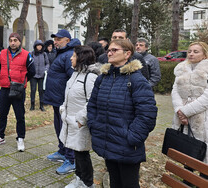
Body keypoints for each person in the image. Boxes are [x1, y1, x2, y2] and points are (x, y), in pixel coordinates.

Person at [87, 39, 157, 187]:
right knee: (114, 182)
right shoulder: (103, 78)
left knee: (129, 184)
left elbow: (147, 114)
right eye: (109, 50)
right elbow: (92, 105)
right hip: (107, 140)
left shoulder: (137, 80)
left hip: (127, 145)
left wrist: (131, 137)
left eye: (114, 50)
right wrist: (94, 126)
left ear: (127, 54)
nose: (109, 53)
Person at [60, 46, 100, 188]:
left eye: (74, 56)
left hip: (80, 124)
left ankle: (88, 183)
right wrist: (63, 109)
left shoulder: (90, 77)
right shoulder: (75, 74)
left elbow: (92, 101)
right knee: (76, 152)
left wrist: (80, 120)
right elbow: (68, 93)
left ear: (81, 58)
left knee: (82, 154)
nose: (71, 58)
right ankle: (79, 178)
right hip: (70, 121)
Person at [0, 32, 35, 152]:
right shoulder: (3, 53)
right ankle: (0, 136)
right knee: (2, 114)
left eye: (15, 40)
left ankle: (20, 138)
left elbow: (32, 72)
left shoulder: (26, 55)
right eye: (11, 40)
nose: (13, 43)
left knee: (20, 115)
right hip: (5, 88)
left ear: (20, 42)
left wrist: (21, 80)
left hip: (18, 89)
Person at [43, 29, 81, 175]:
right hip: (56, 99)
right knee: (59, 127)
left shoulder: (69, 55)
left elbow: (72, 79)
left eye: (58, 39)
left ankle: (71, 159)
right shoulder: (61, 53)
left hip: (64, 101)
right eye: (55, 39)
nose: (55, 42)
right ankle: (62, 151)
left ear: (67, 40)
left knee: (67, 129)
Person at [171, 41, 208, 164]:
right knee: (187, 150)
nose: (191, 54)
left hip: (203, 116)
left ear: (205, 55)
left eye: (196, 52)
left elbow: (206, 97)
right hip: (182, 116)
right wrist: (179, 110)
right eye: (189, 51)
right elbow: (175, 90)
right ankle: (187, 179)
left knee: (204, 153)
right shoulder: (181, 69)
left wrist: (185, 111)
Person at [30, 40, 49, 111]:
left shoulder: (44, 54)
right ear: (35, 46)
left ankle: (41, 105)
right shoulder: (31, 54)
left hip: (41, 75)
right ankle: (32, 105)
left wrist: (45, 69)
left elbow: (47, 63)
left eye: (41, 45)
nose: (39, 47)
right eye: (38, 45)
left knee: (41, 91)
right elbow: (29, 63)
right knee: (33, 90)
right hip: (33, 76)